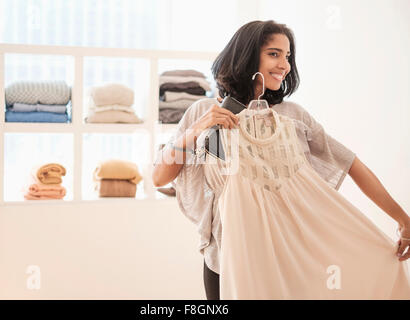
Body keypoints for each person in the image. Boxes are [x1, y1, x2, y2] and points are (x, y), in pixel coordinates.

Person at [152, 20, 410, 300]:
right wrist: (195, 130)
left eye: (287, 57)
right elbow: (160, 177)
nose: (285, 65)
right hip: (224, 256)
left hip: (288, 256)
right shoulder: (204, 112)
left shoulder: (293, 117)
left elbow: (350, 164)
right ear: (247, 55)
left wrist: (403, 219)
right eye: (274, 54)